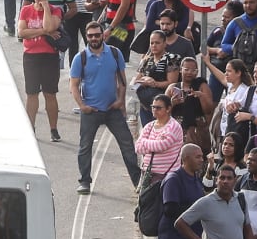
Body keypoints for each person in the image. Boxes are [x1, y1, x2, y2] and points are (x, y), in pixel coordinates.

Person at [71, 20, 142, 194]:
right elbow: (74, 85)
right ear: (86, 37)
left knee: (127, 146)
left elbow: (122, 80)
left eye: (97, 34)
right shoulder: (80, 58)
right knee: (85, 147)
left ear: (103, 35)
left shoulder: (115, 53)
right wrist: (82, 106)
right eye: (90, 35)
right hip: (91, 111)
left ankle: (138, 183)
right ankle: (85, 182)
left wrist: (120, 101)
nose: (94, 38)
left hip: (113, 110)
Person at [18, 0, 65, 140]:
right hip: (31, 56)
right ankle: (30, 127)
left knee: (50, 94)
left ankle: (53, 129)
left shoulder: (55, 10)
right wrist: (44, 32)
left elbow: (50, 26)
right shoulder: (26, 10)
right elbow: (22, 33)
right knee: (31, 94)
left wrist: (45, 9)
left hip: (49, 56)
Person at [137, 94, 185, 190]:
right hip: (147, 174)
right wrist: (153, 143)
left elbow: (161, 146)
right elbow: (138, 148)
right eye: (153, 107)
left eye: (158, 108)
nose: (154, 110)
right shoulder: (149, 126)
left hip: (166, 175)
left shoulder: (173, 126)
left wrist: (144, 141)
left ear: (168, 109)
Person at [133, 31, 182, 124]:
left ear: (164, 43)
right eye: (152, 43)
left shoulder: (172, 59)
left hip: (162, 108)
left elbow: (171, 83)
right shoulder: (146, 60)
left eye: (157, 43)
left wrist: (154, 83)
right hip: (145, 107)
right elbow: (135, 83)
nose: (154, 45)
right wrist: (144, 80)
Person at [203, 58, 253, 149]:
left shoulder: (243, 90)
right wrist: (207, 62)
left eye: (229, 71)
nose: (226, 73)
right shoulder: (232, 85)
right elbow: (221, 77)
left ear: (238, 73)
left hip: (234, 132)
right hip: (224, 130)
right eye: (226, 71)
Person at [166, 57, 214, 151]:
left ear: (197, 72)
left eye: (193, 70)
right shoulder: (172, 88)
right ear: (180, 70)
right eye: (186, 69)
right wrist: (172, 103)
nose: (189, 72)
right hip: (176, 128)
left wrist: (201, 97)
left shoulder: (202, 86)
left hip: (197, 129)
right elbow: (162, 111)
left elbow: (209, 110)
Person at [205, 1, 244, 102]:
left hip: (235, 76)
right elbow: (204, 47)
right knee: (211, 101)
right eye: (223, 16)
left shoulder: (243, 34)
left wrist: (230, 51)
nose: (223, 19)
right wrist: (217, 50)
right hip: (216, 71)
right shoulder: (217, 31)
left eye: (227, 17)